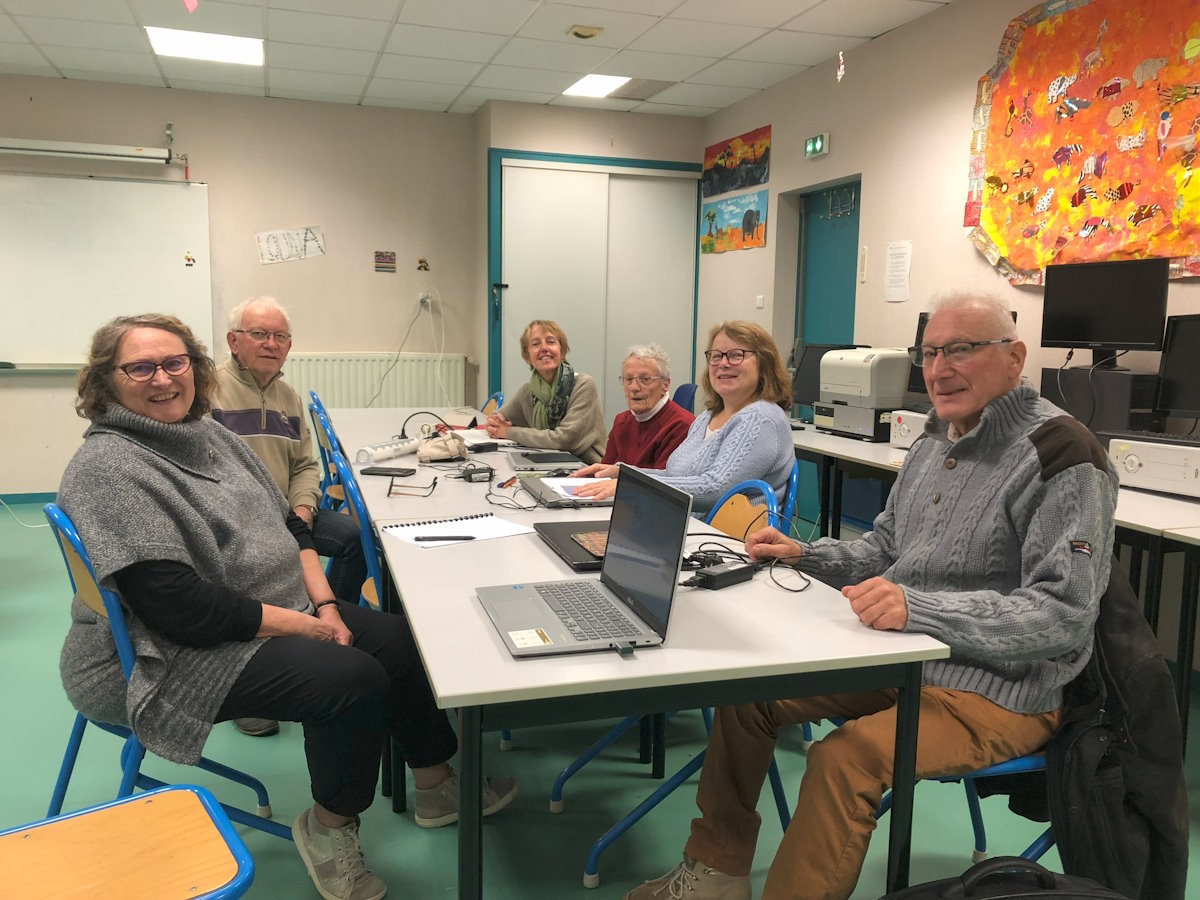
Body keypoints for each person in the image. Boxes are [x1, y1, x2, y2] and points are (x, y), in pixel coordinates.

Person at [622, 292, 1118, 900]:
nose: (939, 369)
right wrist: (804, 555)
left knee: (845, 759)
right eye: (929, 353)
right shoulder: (933, 443)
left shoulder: (1063, 455)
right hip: (903, 659)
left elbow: (1063, 614)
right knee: (747, 694)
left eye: (961, 350)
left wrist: (921, 609)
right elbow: (883, 549)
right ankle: (716, 873)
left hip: (1001, 689)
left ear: (1015, 358)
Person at [58, 314, 517, 900]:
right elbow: (181, 610)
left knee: (399, 641)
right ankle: (329, 828)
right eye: (141, 368)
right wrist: (303, 628)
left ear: (195, 367)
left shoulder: (210, 434)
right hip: (162, 654)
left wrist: (325, 605)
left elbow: (291, 527)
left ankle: (435, 783)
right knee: (351, 680)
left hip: (264, 610)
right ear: (107, 380)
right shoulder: (109, 468)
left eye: (174, 363)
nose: (164, 379)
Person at [210, 297, 368, 738]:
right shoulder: (208, 392)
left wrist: (303, 509)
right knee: (249, 569)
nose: (271, 343)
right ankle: (252, 682)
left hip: (287, 515)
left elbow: (304, 466)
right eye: (259, 334)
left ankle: (325, 626)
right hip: (236, 521)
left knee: (354, 538)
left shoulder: (288, 397)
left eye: (280, 336)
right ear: (234, 341)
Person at [574, 321, 793, 518]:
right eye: (716, 356)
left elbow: (715, 489)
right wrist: (623, 472)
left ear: (764, 363)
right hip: (685, 529)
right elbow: (674, 475)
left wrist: (632, 484)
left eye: (736, 355)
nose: (723, 364)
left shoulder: (761, 418)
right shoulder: (707, 417)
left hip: (724, 542)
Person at [485, 319, 607, 463]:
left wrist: (509, 432)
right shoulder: (528, 391)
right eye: (535, 344)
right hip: (545, 462)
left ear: (562, 351)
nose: (544, 348)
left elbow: (564, 440)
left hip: (586, 467)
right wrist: (493, 424)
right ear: (526, 357)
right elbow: (498, 418)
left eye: (550, 342)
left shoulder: (583, 386)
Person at [600, 344, 694, 468]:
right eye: (628, 379)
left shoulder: (682, 426)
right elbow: (603, 472)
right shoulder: (621, 422)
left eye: (645, 379)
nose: (634, 388)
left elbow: (662, 479)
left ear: (665, 385)